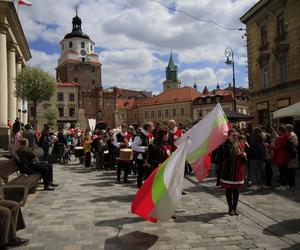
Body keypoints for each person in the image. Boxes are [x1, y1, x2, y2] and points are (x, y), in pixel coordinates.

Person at [220, 128, 246, 216]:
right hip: (229, 170)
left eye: (236, 135)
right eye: (233, 136)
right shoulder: (225, 145)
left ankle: (235, 208)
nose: (235, 137)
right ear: (229, 136)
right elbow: (228, 155)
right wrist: (238, 154)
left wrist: (244, 155)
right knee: (229, 189)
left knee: (236, 190)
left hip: (238, 170)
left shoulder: (239, 144)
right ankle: (230, 208)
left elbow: (243, 157)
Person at [267, 126, 290, 190]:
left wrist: (268, 145)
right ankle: (287, 184)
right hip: (286, 156)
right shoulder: (287, 136)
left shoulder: (281, 137)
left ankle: (283, 185)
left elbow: (277, 147)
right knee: (285, 171)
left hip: (280, 157)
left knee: (282, 172)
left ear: (280, 131)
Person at [132, 122, 153, 188]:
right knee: (140, 174)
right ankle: (139, 187)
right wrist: (144, 148)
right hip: (141, 158)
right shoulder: (139, 136)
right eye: (152, 127)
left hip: (147, 158)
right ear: (148, 128)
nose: (153, 128)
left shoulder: (148, 135)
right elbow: (133, 146)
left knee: (148, 174)